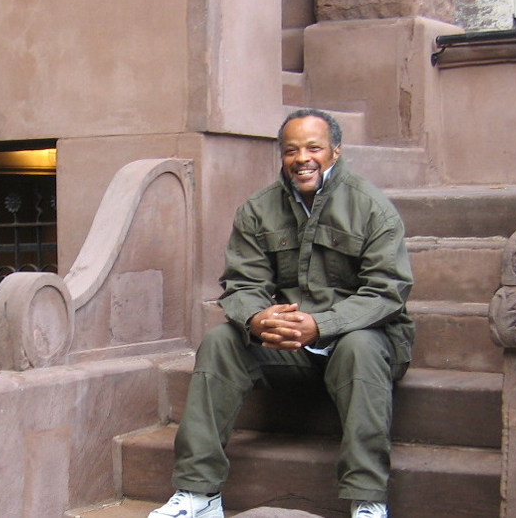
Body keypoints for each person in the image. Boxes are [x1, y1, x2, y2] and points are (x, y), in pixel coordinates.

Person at [147, 108, 414, 518]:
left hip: (361, 343)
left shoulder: (371, 208)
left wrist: (321, 325)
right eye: (291, 150)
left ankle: (368, 500)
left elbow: (387, 291)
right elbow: (241, 285)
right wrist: (258, 319)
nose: (301, 158)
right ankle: (200, 494)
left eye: (313, 147)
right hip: (288, 345)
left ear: (336, 151)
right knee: (221, 341)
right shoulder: (258, 210)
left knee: (359, 346)